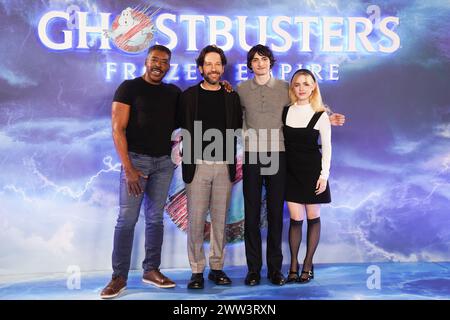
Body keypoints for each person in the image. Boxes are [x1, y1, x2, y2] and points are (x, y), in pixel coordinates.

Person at [236, 44, 345, 286]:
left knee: (276, 214)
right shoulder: (240, 89)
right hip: (253, 154)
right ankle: (253, 269)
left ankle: (276, 270)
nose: (260, 63)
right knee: (252, 215)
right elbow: (234, 116)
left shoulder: (286, 88)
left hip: (279, 155)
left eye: (264, 59)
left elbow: (308, 104)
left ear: (270, 62)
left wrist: (329, 116)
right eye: (255, 60)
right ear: (250, 64)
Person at [100, 45, 180, 299]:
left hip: (164, 164)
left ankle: (151, 270)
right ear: (146, 62)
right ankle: (119, 277)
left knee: (156, 218)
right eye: (154, 60)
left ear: (168, 66)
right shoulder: (129, 88)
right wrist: (129, 169)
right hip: (136, 163)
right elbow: (117, 130)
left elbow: (187, 121)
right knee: (127, 219)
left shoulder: (173, 92)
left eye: (164, 61)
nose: (159, 65)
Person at [179, 45, 242, 289]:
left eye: (218, 64)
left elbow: (237, 126)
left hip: (224, 166)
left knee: (220, 220)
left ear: (222, 68)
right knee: (195, 221)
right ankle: (196, 270)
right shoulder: (188, 97)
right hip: (198, 166)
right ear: (201, 68)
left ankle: (217, 268)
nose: (214, 69)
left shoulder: (231, 96)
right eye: (209, 64)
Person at [282, 69, 331, 284]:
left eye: (306, 84)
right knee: (295, 219)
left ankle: (308, 264)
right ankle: (293, 264)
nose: (301, 88)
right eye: (297, 84)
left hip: (313, 173)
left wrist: (324, 176)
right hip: (290, 172)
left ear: (313, 88)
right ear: (293, 87)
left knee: (313, 218)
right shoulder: (285, 111)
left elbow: (327, 148)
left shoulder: (321, 114)